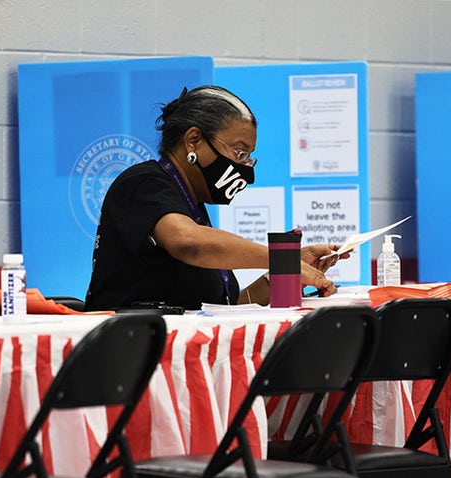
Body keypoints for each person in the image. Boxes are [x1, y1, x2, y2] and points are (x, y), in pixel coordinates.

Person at [83, 85, 342, 311]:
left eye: (248, 157)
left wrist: (285, 274)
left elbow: (222, 309)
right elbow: (188, 242)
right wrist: (280, 257)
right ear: (194, 140)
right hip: (128, 352)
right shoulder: (143, 183)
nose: (245, 168)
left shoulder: (190, 206)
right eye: (239, 153)